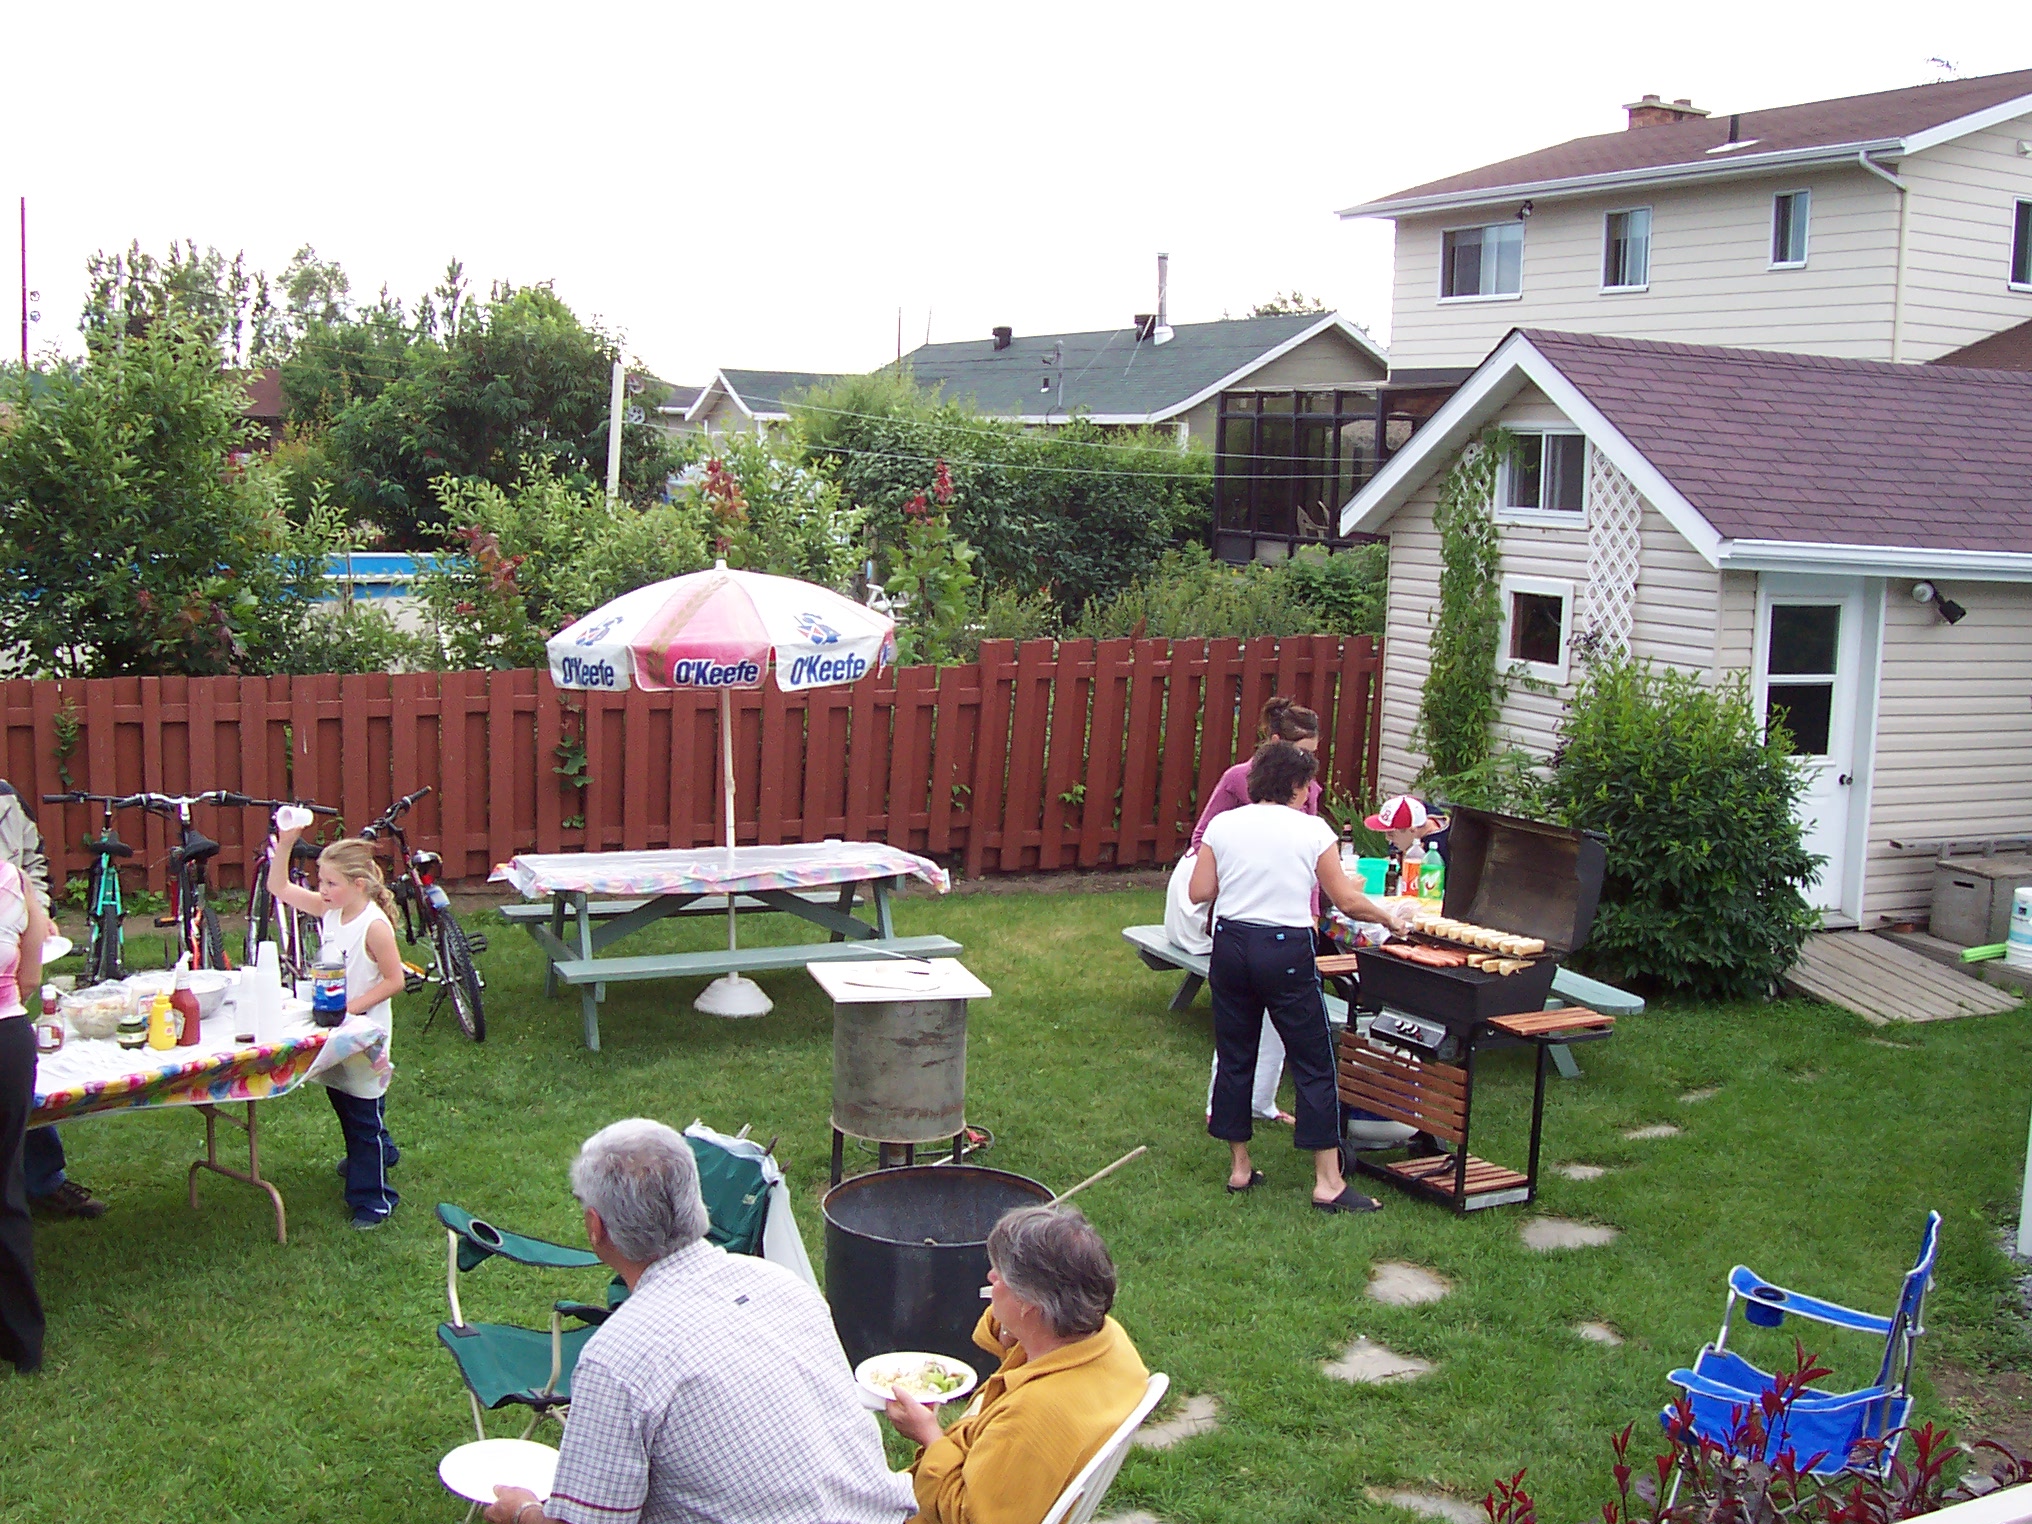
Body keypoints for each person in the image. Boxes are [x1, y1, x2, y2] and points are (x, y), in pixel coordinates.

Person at [483, 1119, 913, 1524]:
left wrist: (522, 1512)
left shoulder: (616, 1359)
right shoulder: (784, 1284)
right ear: (694, 1201)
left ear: (596, 1227)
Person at [1190, 741, 1413, 1212]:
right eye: (1308, 783)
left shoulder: (1224, 824)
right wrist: (1389, 919)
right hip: (1284, 949)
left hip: (1230, 945)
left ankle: (1239, 1168)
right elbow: (1346, 901)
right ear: (1295, 785)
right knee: (1313, 1060)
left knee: (1235, 1055)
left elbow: (1199, 890)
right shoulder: (1312, 829)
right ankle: (1328, 1182)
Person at [886, 1205, 1148, 1524]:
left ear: (1029, 1304)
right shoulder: (1105, 1340)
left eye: (1001, 1275)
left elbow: (967, 1517)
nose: (991, 1277)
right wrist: (1014, 1327)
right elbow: (999, 1328)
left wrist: (928, 1435)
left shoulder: (1031, 1417)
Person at [1165, 696, 1325, 1127]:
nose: (1309, 765)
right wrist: (1241, 870)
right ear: (1275, 742)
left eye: (1313, 754)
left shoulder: (1308, 791)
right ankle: (1220, 1106)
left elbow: (1311, 860)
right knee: (1237, 1026)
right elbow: (1202, 837)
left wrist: (1312, 911)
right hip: (1240, 916)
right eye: (1301, 753)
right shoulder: (1239, 779)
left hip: (1287, 918)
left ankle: (1262, 1102)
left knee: (1277, 1024)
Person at [266, 831, 407, 1229]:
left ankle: (374, 1200)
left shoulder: (373, 926)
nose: (322, 889)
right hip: (338, 1031)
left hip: (365, 1035)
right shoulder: (330, 910)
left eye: (331, 882)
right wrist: (286, 841)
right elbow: (279, 887)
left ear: (358, 885)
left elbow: (395, 980)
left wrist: (350, 1009)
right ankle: (379, 1152)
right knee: (344, 1098)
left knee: (362, 1109)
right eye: (320, 880)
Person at [0, 782, 107, 1221]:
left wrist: (36, 916)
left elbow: (34, 864)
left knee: (18, 1072)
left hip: (10, 967)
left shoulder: (8, 800)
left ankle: (42, 1180)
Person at [0, 851, 54, 1373]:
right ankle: (21, 1343)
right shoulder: (13, 881)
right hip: (8, 1040)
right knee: (6, 1187)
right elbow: (31, 976)